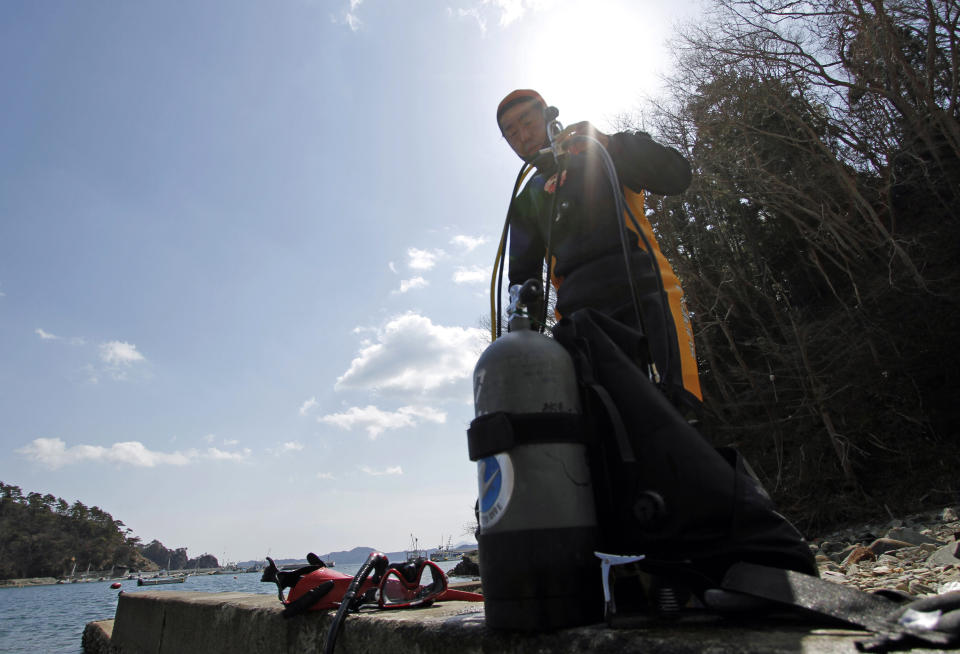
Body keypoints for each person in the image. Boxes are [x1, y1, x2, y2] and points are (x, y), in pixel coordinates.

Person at [496, 89, 702, 411]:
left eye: (527, 121)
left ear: (548, 115)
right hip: (578, 326)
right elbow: (523, 285)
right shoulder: (526, 200)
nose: (523, 136)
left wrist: (613, 145)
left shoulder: (599, 150)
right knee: (604, 440)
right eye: (511, 132)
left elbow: (678, 176)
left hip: (646, 300)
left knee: (679, 418)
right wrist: (520, 349)